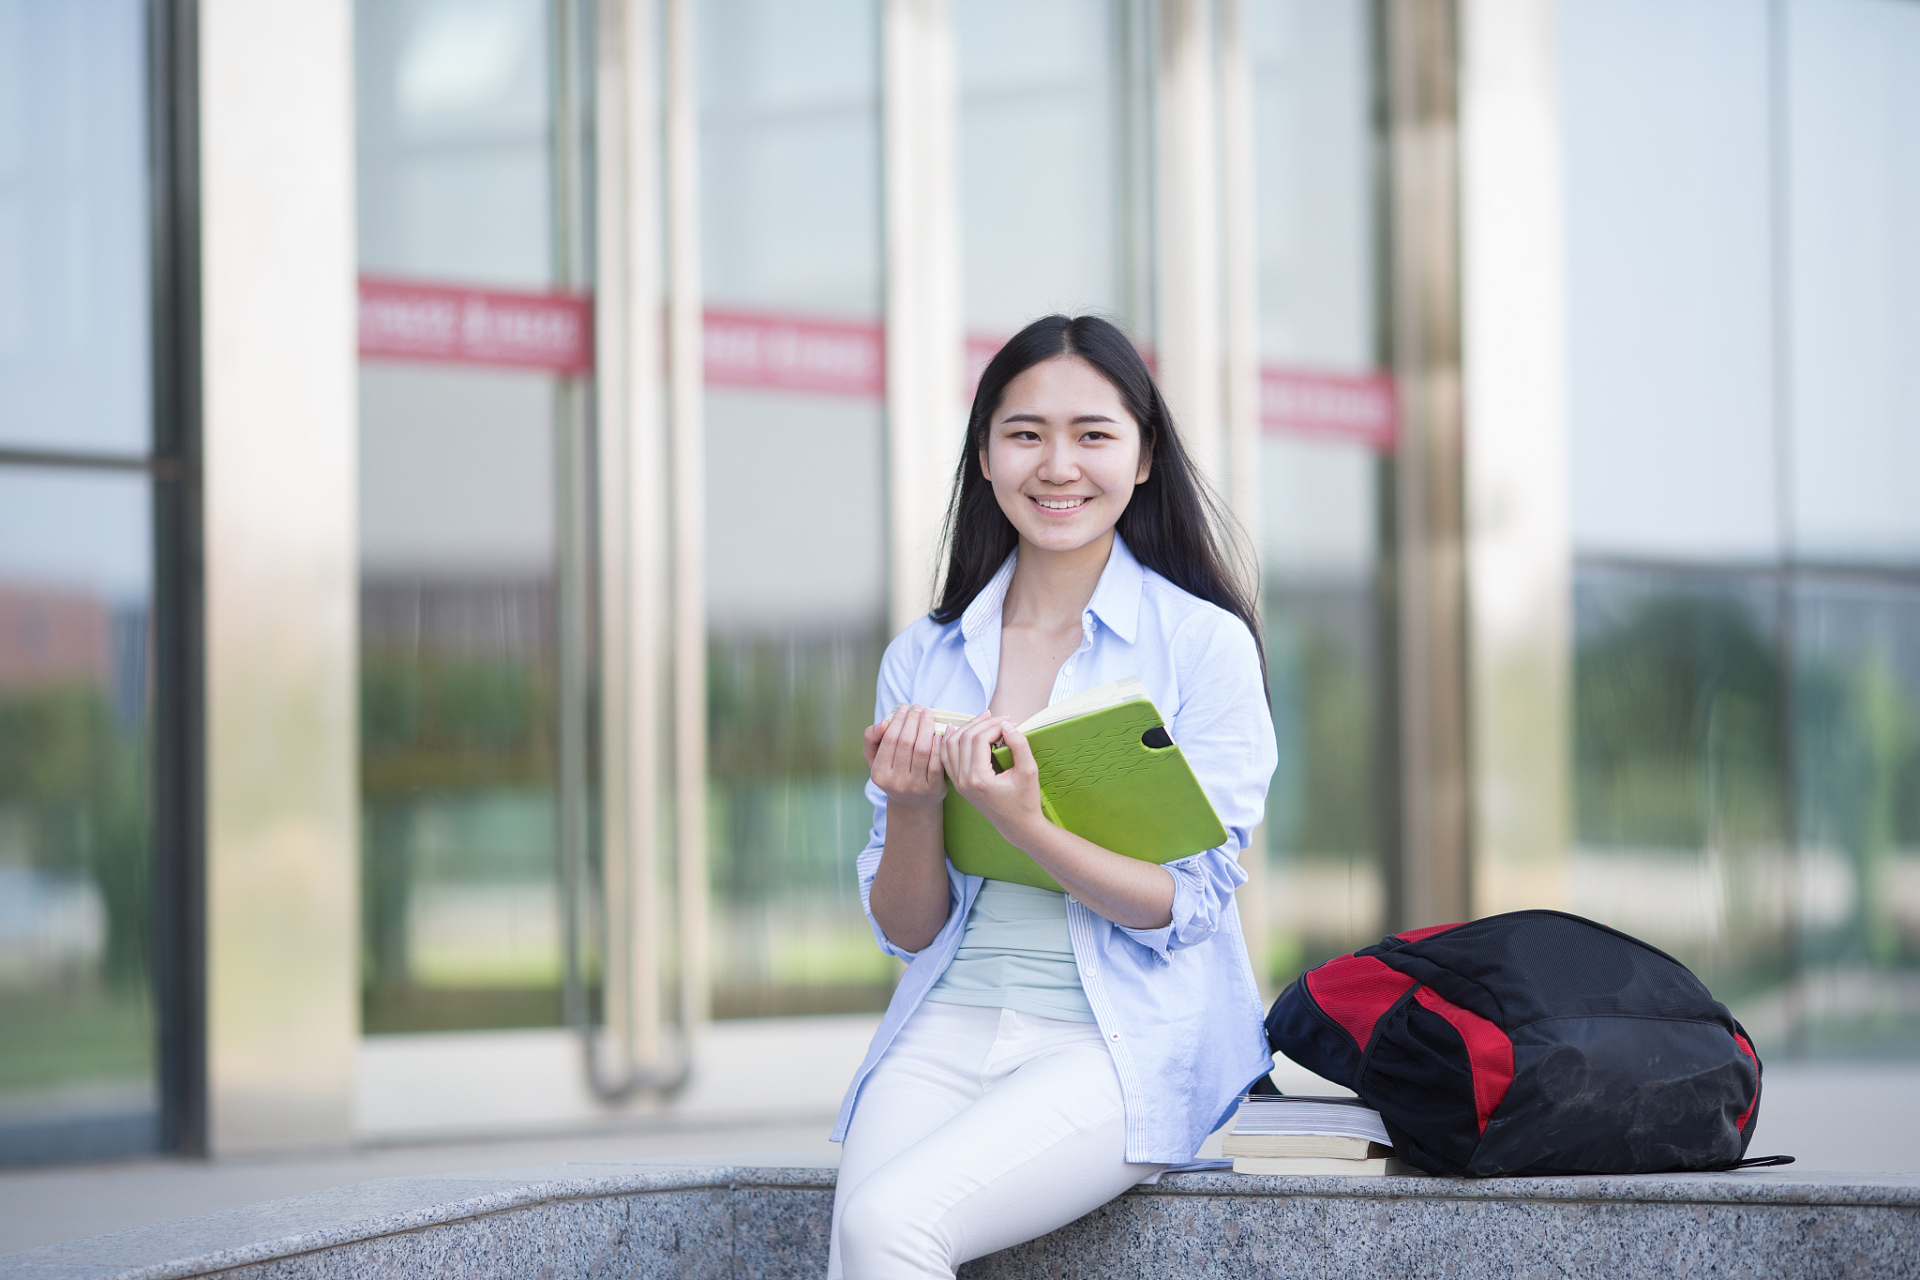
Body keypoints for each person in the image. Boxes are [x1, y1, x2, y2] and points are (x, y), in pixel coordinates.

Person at [826, 314, 1277, 1279]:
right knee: (863, 1229)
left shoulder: (1202, 646)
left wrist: (1024, 825)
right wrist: (912, 806)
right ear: (984, 456)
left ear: (1145, 456)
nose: (1057, 464)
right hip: (946, 1023)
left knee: (888, 1227)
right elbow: (908, 931)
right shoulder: (925, 655)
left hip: (1117, 1042)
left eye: (1094, 435)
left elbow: (1186, 905)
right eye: (1025, 433)